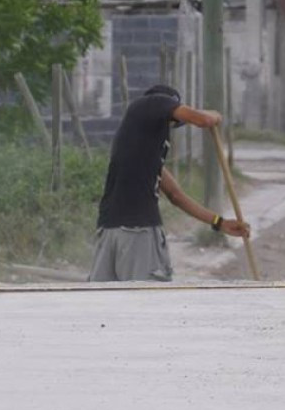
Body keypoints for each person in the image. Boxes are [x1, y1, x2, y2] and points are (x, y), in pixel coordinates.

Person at [89, 85, 249, 282]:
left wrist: (219, 222)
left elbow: (175, 195)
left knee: (103, 299)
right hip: (139, 232)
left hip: (108, 230)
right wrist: (216, 115)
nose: (170, 128)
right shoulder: (151, 102)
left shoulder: (140, 149)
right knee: (147, 298)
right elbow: (203, 119)